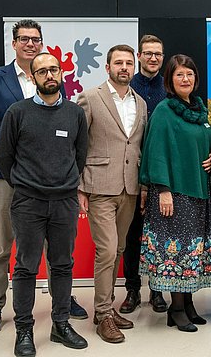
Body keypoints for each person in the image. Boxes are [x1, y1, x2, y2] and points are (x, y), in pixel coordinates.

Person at [0, 19, 86, 337]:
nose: (30, 43)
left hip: (52, 183)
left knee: (58, 245)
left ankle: (60, 305)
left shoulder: (51, 77)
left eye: (35, 39)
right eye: (23, 38)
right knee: (3, 242)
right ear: (13, 43)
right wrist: (21, 165)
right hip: (6, 174)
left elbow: (68, 138)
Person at [0, 52, 88, 357]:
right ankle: (24, 330)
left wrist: (63, 183)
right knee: (26, 267)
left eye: (54, 70)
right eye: (42, 71)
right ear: (33, 78)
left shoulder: (75, 113)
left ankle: (60, 324)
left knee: (62, 264)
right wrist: (27, 184)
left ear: (61, 74)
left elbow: (80, 156)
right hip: (28, 203)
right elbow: (4, 158)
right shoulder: (17, 112)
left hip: (64, 202)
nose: (49, 75)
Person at [139, 54, 211, 333]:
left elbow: (207, 142)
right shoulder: (164, 110)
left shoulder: (199, 109)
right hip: (175, 193)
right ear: (170, 79)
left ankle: (189, 304)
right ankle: (176, 308)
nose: (186, 79)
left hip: (198, 191)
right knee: (177, 254)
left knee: (193, 252)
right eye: (179, 75)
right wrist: (163, 190)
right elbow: (156, 152)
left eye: (190, 74)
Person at [76, 44, 147, 343]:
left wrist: (143, 186)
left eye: (129, 63)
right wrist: (79, 186)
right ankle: (103, 313)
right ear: (107, 67)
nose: (124, 68)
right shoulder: (91, 98)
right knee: (106, 250)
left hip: (129, 188)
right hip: (99, 186)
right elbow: (77, 145)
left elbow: (138, 147)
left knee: (118, 249)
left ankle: (105, 308)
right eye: (118, 62)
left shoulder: (141, 103)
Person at [121, 35, 168, 315]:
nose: (153, 58)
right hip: (131, 174)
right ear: (139, 56)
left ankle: (157, 291)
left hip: (161, 176)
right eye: (148, 53)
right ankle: (132, 289)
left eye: (158, 54)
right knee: (132, 235)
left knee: (159, 235)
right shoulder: (128, 87)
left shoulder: (169, 87)